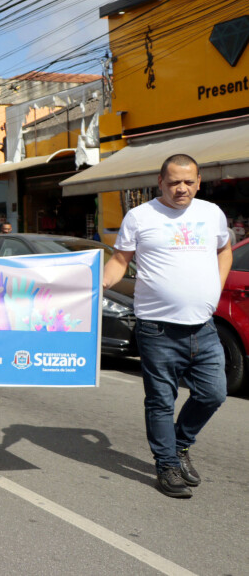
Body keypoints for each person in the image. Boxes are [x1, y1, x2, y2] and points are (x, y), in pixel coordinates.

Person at [103, 154, 232, 499]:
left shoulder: (212, 213)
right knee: (161, 400)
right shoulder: (140, 216)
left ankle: (180, 444)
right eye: (174, 182)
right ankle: (167, 465)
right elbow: (120, 261)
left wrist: (216, 288)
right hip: (157, 329)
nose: (181, 188)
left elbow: (224, 251)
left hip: (203, 327)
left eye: (188, 182)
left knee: (213, 393)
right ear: (160, 182)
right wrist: (100, 283)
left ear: (199, 182)